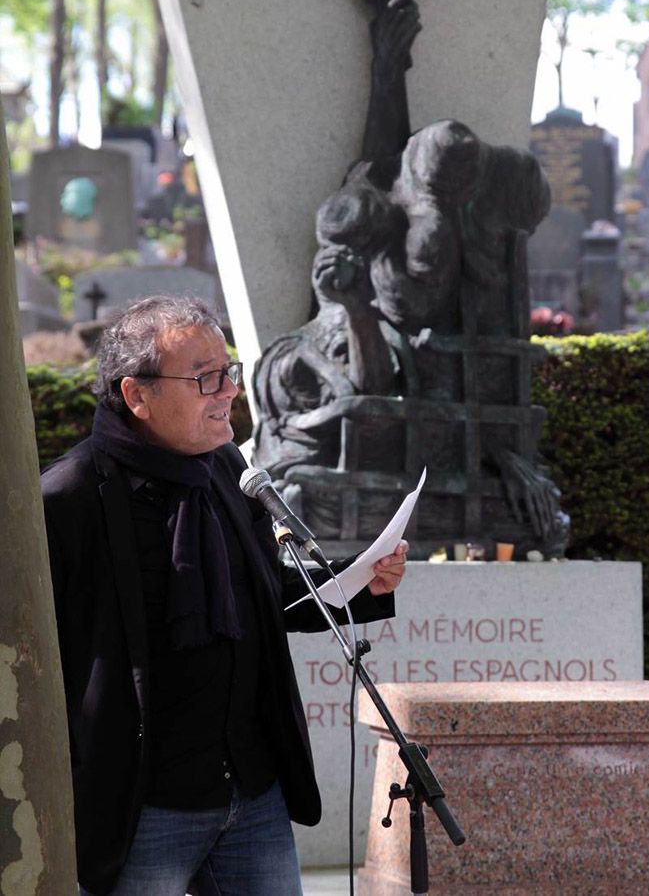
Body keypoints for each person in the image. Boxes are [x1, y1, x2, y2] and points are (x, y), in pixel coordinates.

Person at [42, 295, 408, 896]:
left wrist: (359, 582)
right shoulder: (70, 499)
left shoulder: (225, 470)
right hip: (142, 808)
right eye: (205, 377)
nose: (229, 392)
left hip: (252, 794)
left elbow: (263, 595)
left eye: (228, 372)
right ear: (137, 396)